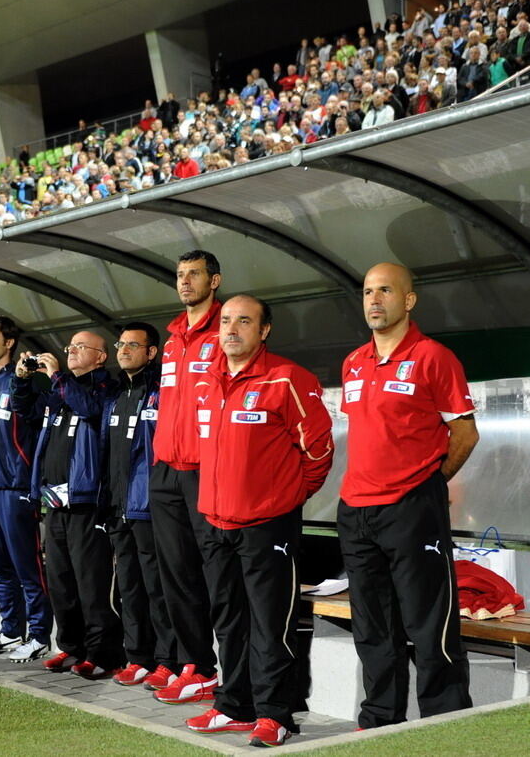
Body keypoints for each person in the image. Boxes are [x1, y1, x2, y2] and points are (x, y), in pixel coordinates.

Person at [187, 295, 333, 747]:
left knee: (271, 624)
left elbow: (320, 450)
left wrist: (287, 498)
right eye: (226, 320)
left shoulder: (287, 379)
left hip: (267, 524)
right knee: (229, 621)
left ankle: (276, 714)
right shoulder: (207, 382)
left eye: (244, 321)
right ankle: (234, 705)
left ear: (263, 331)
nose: (231, 329)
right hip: (215, 523)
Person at [338, 263, 478, 729]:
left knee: (428, 623)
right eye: (367, 292)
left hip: (412, 508)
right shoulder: (353, 361)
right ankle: (380, 721)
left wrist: (429, 484)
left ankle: (446, 721)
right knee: (373, 627)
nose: (374, 300)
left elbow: (465, 433)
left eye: (385, 291)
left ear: (409, 300)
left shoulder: (433, 356)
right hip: (356, 510)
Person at [17, 330, 123, 679]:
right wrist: (21, 381)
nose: (72, 351)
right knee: (61, 581)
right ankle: (71, 646)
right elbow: (27, 413)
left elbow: (89, 409)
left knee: (91, 582)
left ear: (100, 356)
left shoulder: (104, 388)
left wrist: (57, 375)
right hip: (54, 501)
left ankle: (102, 653)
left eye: (80, 347)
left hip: (85, 501)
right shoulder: (59, 392)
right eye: (70, 346)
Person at [147, 249, 223, 701]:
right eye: (180, 275)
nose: (185, 281)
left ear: (214, 281)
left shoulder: (226, 330)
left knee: (215, 572)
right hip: (166, 470)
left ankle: (224, 664)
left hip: (205, 470)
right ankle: (194, 663)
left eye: (194, 274)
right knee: (175, 574)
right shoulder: (173, 337)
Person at [100, 322, 177, 687]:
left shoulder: (160, 391)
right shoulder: (117, 393)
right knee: (129, 586)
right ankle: (138, 656)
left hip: (149, 506)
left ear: (151, 352)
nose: (125, 349)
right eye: (122, 343)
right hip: (118, 507)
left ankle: (167, 659)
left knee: (156, 588)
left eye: (134, 344)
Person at [0, 316, 53, 663]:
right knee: (1, 567)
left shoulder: (26, 381)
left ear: (9, 343)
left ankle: (38, 635)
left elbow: (35, 427)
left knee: (27, 566)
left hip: (16, 485)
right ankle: (10, 630)